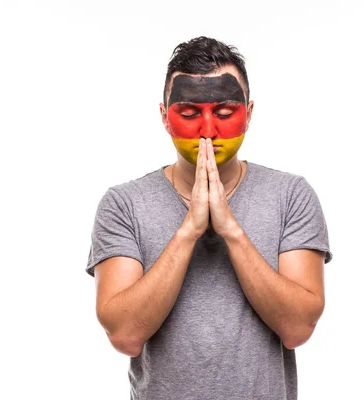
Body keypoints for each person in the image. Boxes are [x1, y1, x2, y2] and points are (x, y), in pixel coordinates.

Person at [85, 36, 332, 400]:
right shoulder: (123, 204)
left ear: (248, 114)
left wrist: (230, 230)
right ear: (164, 118)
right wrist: (189, 230)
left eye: (224, 113)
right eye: (188, 114)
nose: (207, 130)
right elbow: (124, 335)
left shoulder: (291, 195)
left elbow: (297, 328)